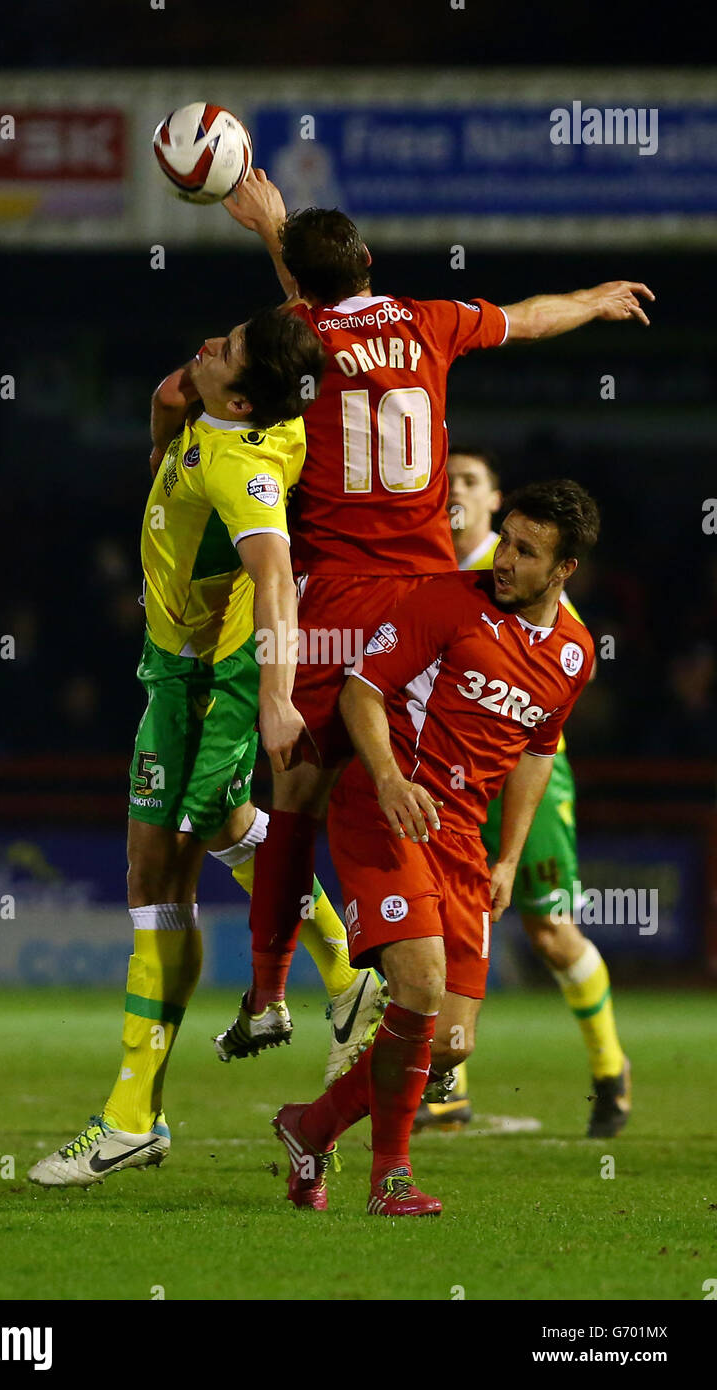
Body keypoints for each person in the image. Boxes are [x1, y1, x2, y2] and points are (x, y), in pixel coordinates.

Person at [217, 170, 653, 1054]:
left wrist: (269, 229)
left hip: (335, 596)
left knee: (296, 792)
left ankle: (272, 995)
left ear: (299, 282)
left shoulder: (291, 334)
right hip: (428, 601)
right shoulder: (430, 320)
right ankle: (441, 1000)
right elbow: (529, 316)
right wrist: (593, 299)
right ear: (371, 261)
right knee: (441, 781)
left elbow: (309, 322)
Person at [28, 307, 374, 1188]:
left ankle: (131, 1115)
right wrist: (159, 436)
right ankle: (344, 976)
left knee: (159, 871)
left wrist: (272, 700)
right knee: (217, 833)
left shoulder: (242, 467)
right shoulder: (224, 406)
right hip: (169, 664)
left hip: (208, 677)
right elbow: (184, 382)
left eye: (231, 352)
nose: (212, 344)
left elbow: (276, 583)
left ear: (248, 397)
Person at [273, 480, 599, 1215]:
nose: (504, 560)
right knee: (418, 986)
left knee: (449, 1042)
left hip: (461, 841)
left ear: (564, 571)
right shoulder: (447, 602)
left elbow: (535, 753)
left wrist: (509, 855)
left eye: (527, 552)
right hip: (388, 808)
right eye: (507, 540)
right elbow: (360, 689)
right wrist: (386, 778)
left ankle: (310, 1126)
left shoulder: (575, 656)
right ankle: (391, 1177)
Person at [414, 448, 629, 1138]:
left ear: (493, 499)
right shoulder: (430, 571)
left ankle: (610, 1068)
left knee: (547, 930)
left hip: (521, 770)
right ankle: (447, 1091)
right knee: (433, 923)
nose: (456, 494)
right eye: (448, 483)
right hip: (443, 771)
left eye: (471, 483)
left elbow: (546, 680)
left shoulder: (519, 571)